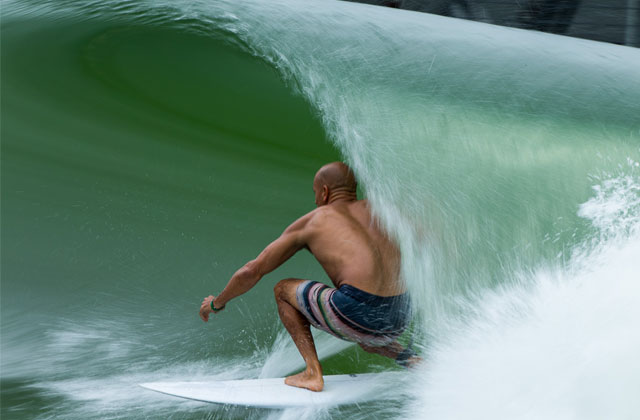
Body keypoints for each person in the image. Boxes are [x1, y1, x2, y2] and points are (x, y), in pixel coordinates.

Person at [199, 162, 416, 392]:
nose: (315, 200)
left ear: (324, 192)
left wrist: (216, 303)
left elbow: (252, 271)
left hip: (356, 313)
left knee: (283, 290)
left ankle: (313, 372)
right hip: (399, 315)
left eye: (315, 193)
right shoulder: (383, 210)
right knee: (366, 330)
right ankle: (410, 358)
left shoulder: (313, 221)